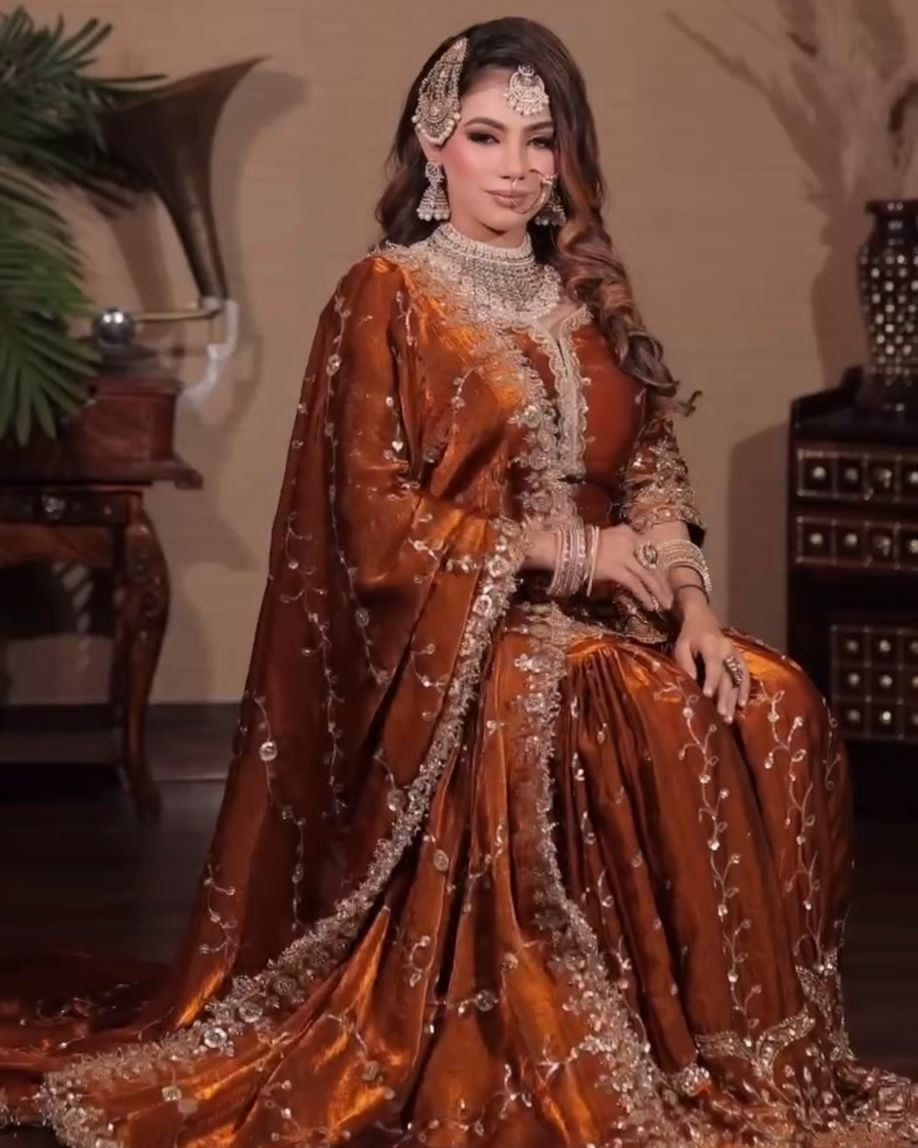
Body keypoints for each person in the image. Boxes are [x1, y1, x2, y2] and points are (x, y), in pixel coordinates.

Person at [1, 16, 916, 1148]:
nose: (520, 166)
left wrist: (691, 603)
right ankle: (619, 1044)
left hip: (619, 612)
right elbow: (372, 518)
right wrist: (572, 555)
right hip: (471, 637)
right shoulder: (387, 295)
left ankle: (722, 1050)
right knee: (630, 708)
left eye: (542, 139)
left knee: (769, 698)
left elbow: (651, 467)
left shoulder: (580, 291)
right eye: (489, 135)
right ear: (434, 146)